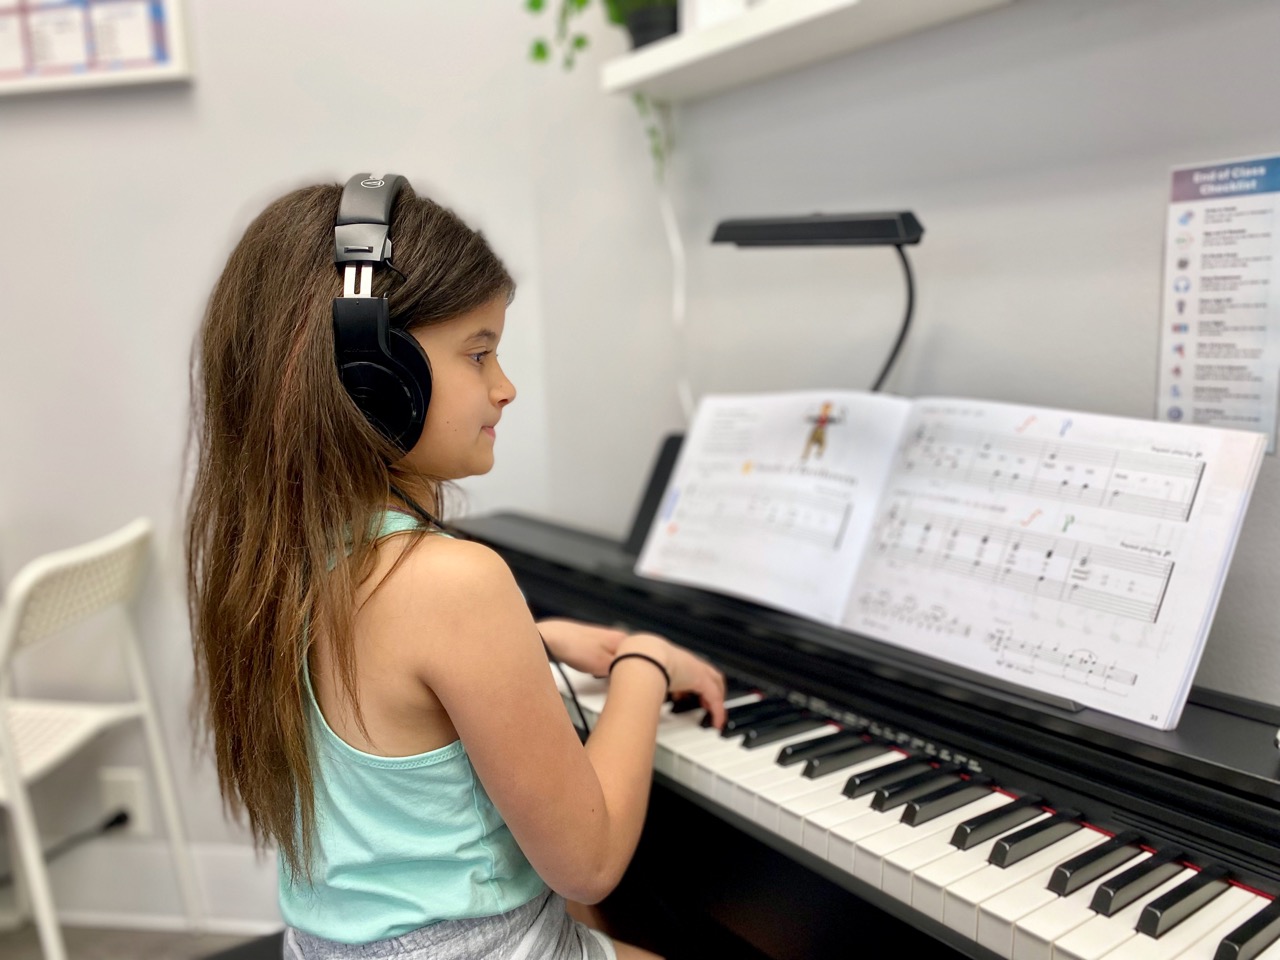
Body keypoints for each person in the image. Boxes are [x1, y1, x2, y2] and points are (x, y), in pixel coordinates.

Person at [185, 177, 728, 960]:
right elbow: (590, 861)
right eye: (479, 353)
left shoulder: (275, 554)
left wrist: (531, 642)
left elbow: (383, 685)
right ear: (373, 379)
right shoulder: (452, 584)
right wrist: (644, 660)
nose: (504, 388)